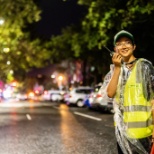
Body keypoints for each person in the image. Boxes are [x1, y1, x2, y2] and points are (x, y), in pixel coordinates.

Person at [106, 30, 154, 154]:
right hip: (123, 133)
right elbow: (110, 93)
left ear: (134, 46)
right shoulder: (116, 68)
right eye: (119, 44)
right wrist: (117, 68)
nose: (123, 46)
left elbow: (153, 99)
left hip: (144, 133)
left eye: (127, 42)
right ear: (115, 49)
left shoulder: (145, 67)